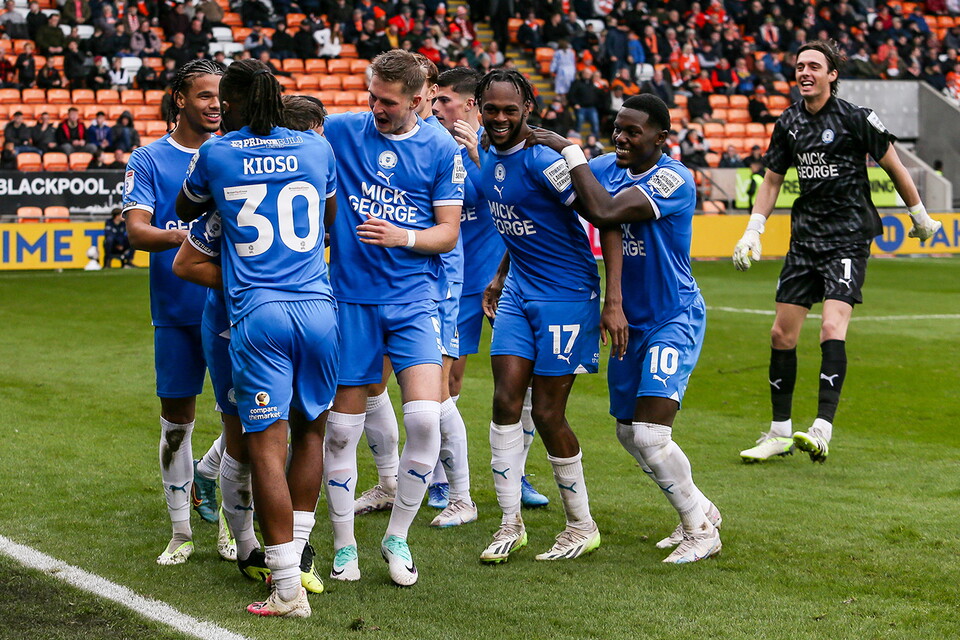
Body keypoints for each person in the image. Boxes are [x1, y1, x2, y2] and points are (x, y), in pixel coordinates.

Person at [528, 93, 724, 563]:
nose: (621, 137)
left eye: (634, 132)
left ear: (661, 138)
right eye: (618, 128)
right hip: (627, 325)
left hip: (672, 317)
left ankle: (700, 531)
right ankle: (701, 510)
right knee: (628, 432)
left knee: (652, 435)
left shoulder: (674, 178)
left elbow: (606, 212)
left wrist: (569, 149)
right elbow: (556, 191)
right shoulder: (606, 167)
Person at [174, 66, 340, 617]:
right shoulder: (317, 149)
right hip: (319, 309)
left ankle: (287, 587)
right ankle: (302, 554)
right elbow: (328, 217)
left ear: (237, 103)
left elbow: (184, 209)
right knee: (311, 433)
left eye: (226, 101)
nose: (220, 109)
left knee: (265, 449)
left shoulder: (217, 152)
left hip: (259, 315)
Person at [733, 41, 943, 464]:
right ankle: (779, 433)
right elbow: (772, 180)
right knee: (780, 334)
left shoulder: (856, 118)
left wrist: (919, 215)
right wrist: (753, 229)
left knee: (831, 325)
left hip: (847, 237)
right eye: (800, 66)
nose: (804, 72)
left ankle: (821, 429)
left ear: (832, 75)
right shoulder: (788, 122)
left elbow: (895, 167)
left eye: (814, 66)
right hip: (804, 240)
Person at [320, 49, 462, 587]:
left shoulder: (440, 148)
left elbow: (447, 232)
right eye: (372, 97)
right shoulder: (341, 131)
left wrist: (403, 236)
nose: (376, 109)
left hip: (413, 301)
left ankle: (397, 537)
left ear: (418, 99)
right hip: (350, 301)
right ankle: (344, 545)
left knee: (425, 420)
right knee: (340, 433)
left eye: (388, 102)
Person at [475, 69, 620, 564]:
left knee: (547, 412)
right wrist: (500, 275)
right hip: (518, 290)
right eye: (491, 109)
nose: (499, 118)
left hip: (566, 295)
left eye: (509, 110)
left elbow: (605, 216)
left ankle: (581, 525)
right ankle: (509, 523)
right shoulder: (486, 150)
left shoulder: (544, 160)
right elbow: (521, 226)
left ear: (528, 110)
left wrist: (613, 300)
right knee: (504, 400)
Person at [122, 59, 228, 566]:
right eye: (205, 95)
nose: (215, 105)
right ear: (180, 99)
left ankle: (234, 527)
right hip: (176, 310)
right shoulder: (148, 159)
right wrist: (192, 238)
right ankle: (181, 532)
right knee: (177, 424)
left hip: (231, 308)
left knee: (247, 422)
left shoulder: (234, 151)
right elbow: (138, 232)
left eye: (221, 96)